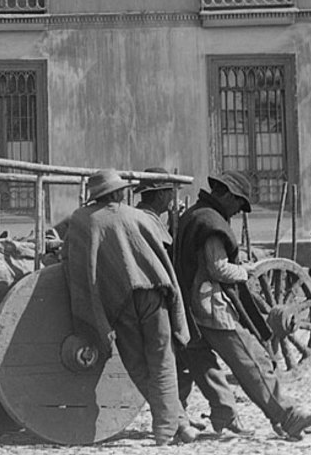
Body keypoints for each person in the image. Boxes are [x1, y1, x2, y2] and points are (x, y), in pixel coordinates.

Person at [174, 171, 311, 441]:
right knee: (252, 360)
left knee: (202, 363)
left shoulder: (194, 215)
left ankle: (225, 414)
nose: (237, 210)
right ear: (227, 195)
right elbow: (218, 268)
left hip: (191, 305)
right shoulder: (211, 222)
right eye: (238, 203)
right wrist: (245, 270)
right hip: (213, 307)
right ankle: (287, 416)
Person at [62, 169, 197, 446]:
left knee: (136, 364)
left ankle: (169, 426)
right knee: (162, 361)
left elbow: (72, 259)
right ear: (119, 192)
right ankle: (175, 425)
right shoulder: (137, 217)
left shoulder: (83, 220)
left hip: (118, 301)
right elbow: (161, 250)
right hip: (153, 294)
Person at [136, 167, 249, 437]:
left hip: (179, 300)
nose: (171, 201)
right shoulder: (147, 221)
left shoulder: (156, 218)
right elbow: (214, 269)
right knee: (181, 360)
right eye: (168, 194)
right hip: (163, 301)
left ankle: (194, 416)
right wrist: (245, 272)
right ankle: (182, 420)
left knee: (190, 360)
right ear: (162, 194)